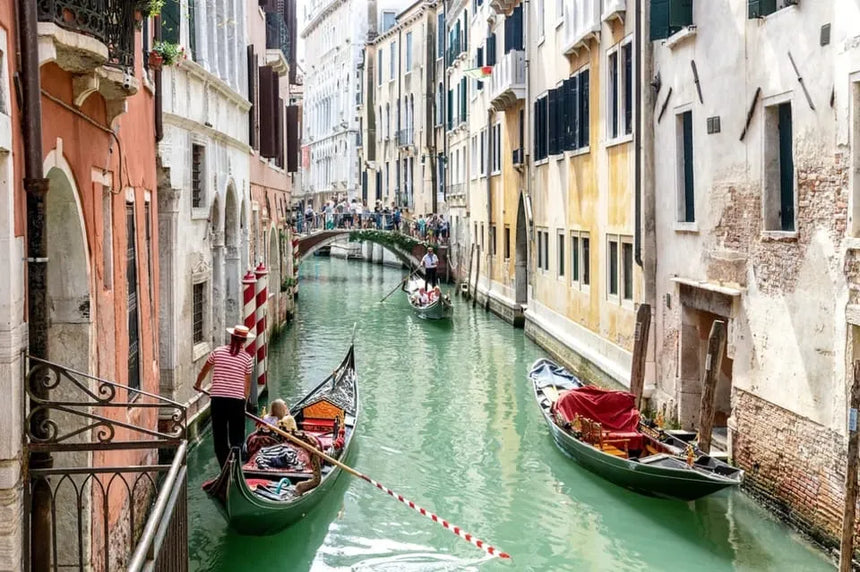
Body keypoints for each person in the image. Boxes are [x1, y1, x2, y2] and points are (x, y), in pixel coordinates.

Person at [195, 325, 255, 468]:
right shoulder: (247, 359)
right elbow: (246, 387)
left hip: (218, 400)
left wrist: (198, 384)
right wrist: (243, 403)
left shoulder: (217, 352)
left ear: (231, 337)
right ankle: (235, 467)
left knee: (220, 438)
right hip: (236, 402)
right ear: (244, 341)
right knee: (237, 439)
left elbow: (204, 371)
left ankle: (225, 467)